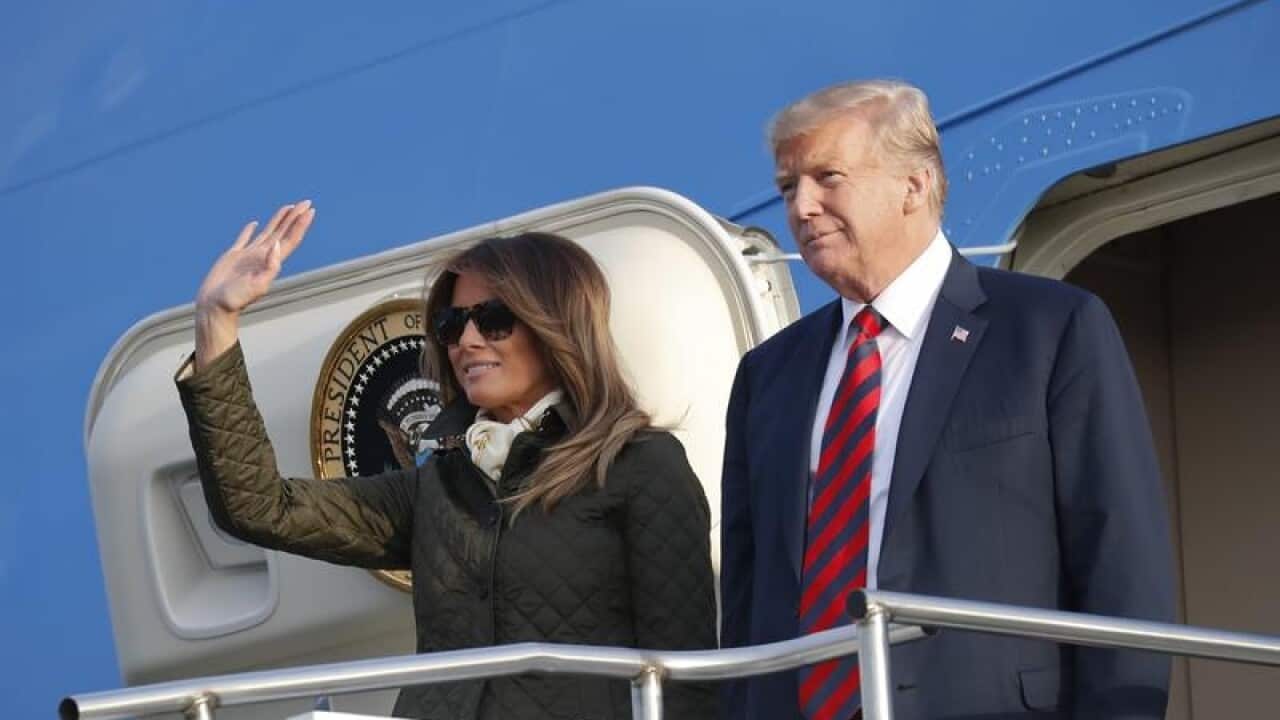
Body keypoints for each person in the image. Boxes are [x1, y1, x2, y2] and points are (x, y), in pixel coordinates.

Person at [719, 80, 1176, 719]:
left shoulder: (1050, 330)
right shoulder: (767, 373)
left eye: (828, 177)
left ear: (915, 184)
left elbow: (1120, 560)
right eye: (788, 187)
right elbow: (744, 595)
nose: (803, 206)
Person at [176, 202, 718, 720]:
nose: (468, 340)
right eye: (452, 325)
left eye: (494, 319)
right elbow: (258, 506)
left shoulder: (641, 465)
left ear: (558, 326)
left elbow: (684, 681)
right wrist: (216, 320)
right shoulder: (439, 484)